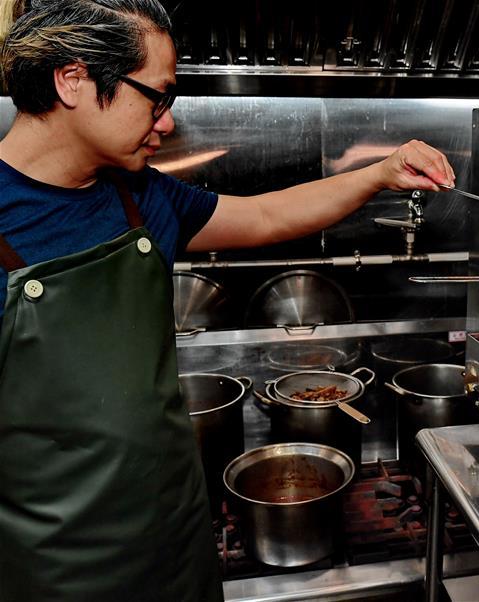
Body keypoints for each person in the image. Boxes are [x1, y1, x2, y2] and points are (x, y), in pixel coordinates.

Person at [0, 1, 455, 600]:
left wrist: (380, 172)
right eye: (156, 97)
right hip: (57, 568)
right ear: (73, 80)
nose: (166, 123)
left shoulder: (139, 195)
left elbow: (265, 215)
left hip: (177, 534)